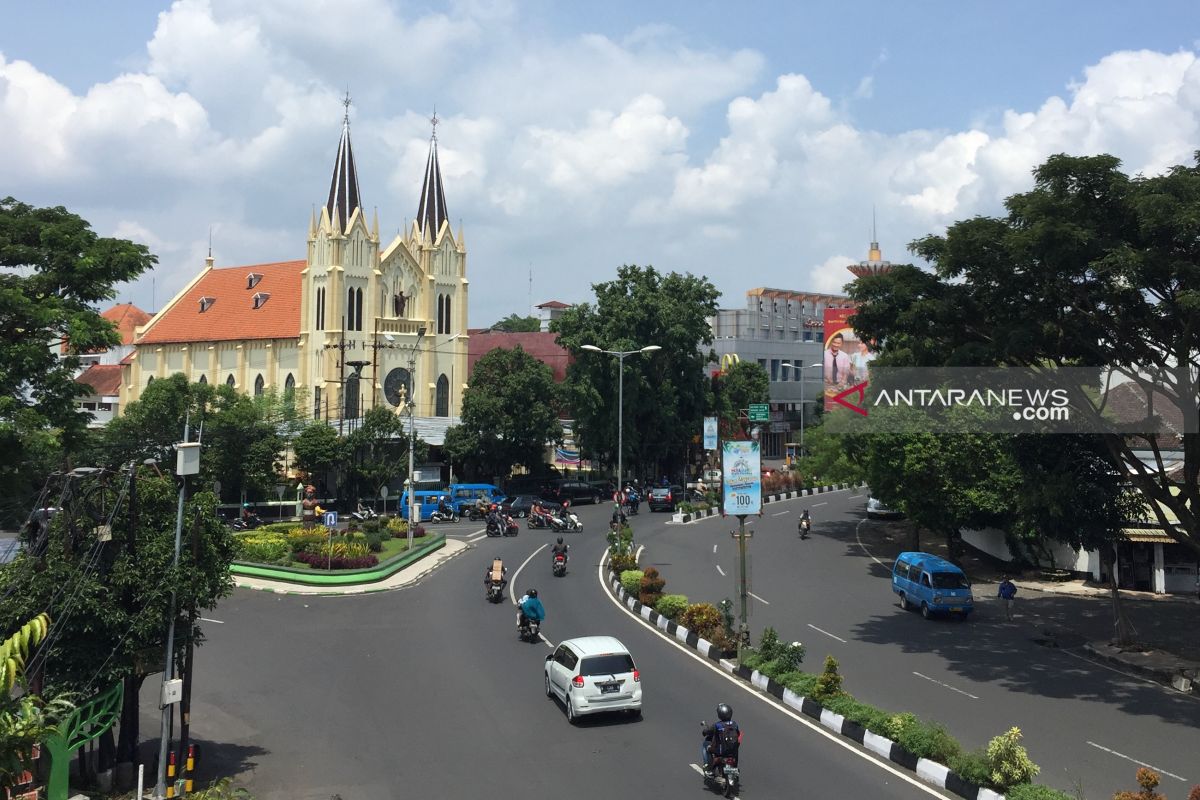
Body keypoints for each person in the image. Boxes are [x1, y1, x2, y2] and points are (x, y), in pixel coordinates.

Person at [701, 703, 742, 775]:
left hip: (720, 751)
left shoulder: (717, 725)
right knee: (736, 750)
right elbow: (738, 734)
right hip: (732, 751)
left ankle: (709, 768)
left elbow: (708, 731)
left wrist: (704, 731)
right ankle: (734, 769)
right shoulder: (734, 724)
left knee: (705, 745)